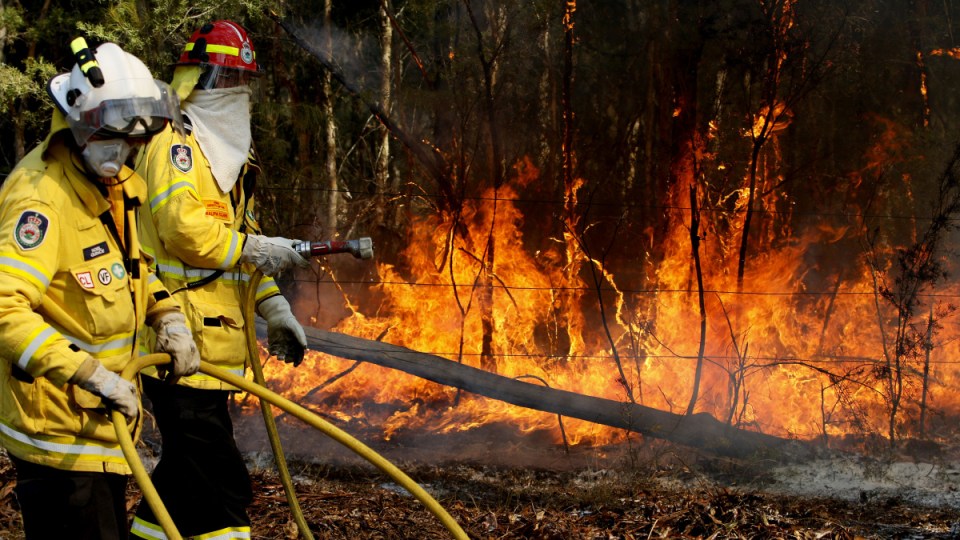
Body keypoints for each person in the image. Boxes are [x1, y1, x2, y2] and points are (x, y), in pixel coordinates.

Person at [0, 38, 200, 540]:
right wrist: (91, 374)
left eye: (135, 140)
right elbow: (4, 308)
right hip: (59, 438)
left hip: (102, 427)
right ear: (80, 124)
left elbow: (132, 268)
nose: (126, 151)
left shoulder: (113, 186)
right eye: (114, 137)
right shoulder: (41, 199)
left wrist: (167, 317)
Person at [129, 20, 309, 540]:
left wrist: (275, 309)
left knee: (184, 477)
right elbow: (186, 232)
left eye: (242, 80)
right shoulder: (173, 144)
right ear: (198, 77)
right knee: (224, 484)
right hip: (176, 345)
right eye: (226, 78)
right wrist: (255, 247)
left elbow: (240, 244)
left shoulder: (225, 157)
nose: (236, 91)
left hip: (216, 350)